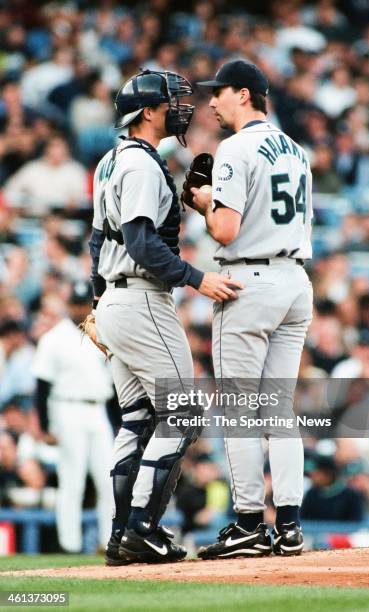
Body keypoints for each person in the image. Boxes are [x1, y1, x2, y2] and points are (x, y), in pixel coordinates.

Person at [90, 69, 241, 565]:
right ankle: (142, 527)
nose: (181, 107)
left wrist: (98, 305)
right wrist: (197, 279)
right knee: (184, 412)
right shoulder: (138, 166)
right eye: (172, 101)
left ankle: (119, 535)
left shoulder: (110, 162)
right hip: (140, 298)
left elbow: (98, 243)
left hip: (114, 300)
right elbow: (139, 242)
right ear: (149, 111)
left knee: (136, 419)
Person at [190, 60, 313, 558]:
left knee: (240, 410)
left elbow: (224, 230)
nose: (212, 101)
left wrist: (201, 202)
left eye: (218, 93)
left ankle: (246, 523)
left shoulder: (235, 147)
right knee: (279, 410)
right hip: (294, 280)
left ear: (244, 94)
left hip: (250, 280)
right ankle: (288, 523)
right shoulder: (297, 149)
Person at [32, 281, 114, 553]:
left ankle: (107, 540)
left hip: (97, 409)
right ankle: (69, 544)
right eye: (76, 303)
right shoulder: (53, 338)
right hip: (66, 409)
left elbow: (111, 385)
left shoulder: (100, 333)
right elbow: (42, 387)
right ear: (68, 305)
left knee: (107, 478)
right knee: (73, 480)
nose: (80, 308)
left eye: (84, 303)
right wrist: (45, 425)